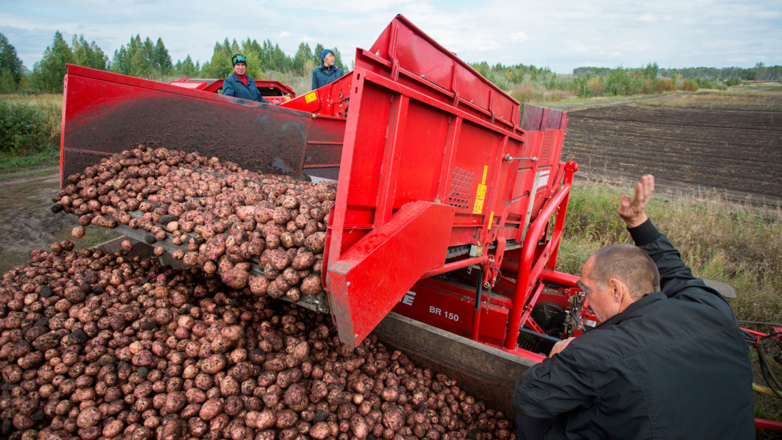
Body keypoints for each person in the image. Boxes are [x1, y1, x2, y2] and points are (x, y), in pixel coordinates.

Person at [512, 175, 754, 440]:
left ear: (617, 290)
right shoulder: (711, 307)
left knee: (534, 420)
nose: (588, 303)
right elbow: (677, 272)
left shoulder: (597, 351)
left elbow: (527, 395)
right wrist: (638, 222)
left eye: (589, 291)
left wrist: (558, 355)